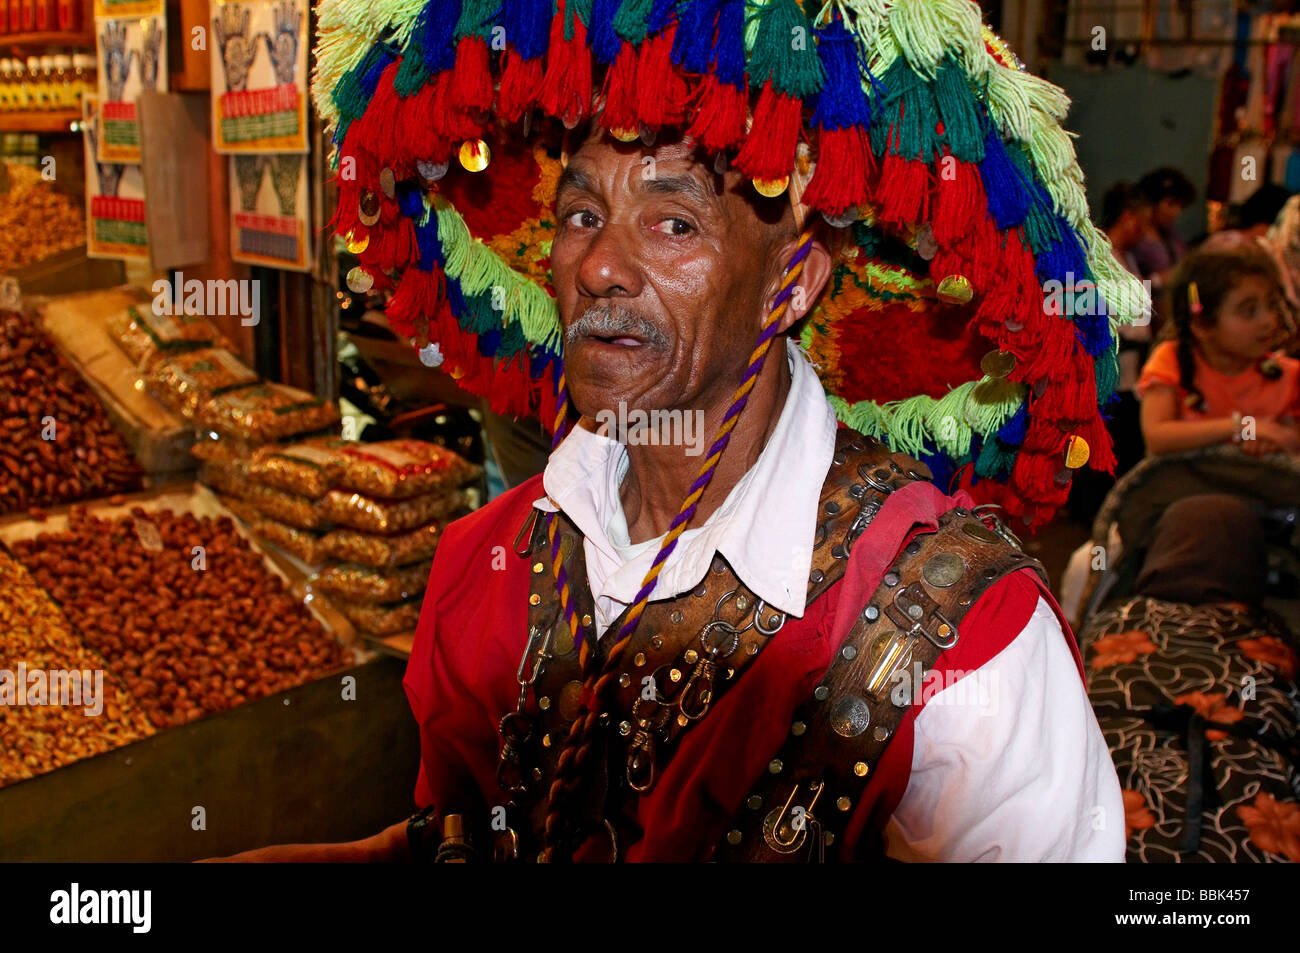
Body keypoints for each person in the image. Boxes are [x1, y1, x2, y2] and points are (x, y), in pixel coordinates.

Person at [216, 0, 1145, 862]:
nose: (602, 266)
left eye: (672, 222)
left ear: (792, 282)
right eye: (582, 214)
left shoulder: (962, 627)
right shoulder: (484, 562)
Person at [1138, 244, 1300, 457]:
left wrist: (1267, 444)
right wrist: (1243, 427)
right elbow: (1157, 437)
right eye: (1249, 311)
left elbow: (1289, 440)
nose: (1269, 320)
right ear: (1202, 325)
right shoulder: (1172, 360)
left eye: (1271, 305)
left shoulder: (1288, 375)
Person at [1132, 167, 1197, 293]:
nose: (1176, 212)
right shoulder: (1136, 238)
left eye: (1180, 205)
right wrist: (1158, 280)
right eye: (1171, 204)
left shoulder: (1171, 233)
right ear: (1151, 203)